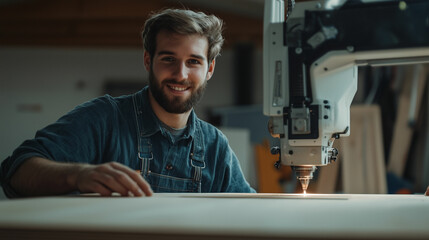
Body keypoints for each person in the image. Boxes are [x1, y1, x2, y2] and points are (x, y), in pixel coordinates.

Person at [0, 8, 256, 198]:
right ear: (148, 60)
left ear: (209, 68)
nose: (180, 74)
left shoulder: (215, 148)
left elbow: (248, 212)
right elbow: (17, 169)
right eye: (168, 59)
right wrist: (78, 175)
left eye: (193, 61)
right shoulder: (104, 118)